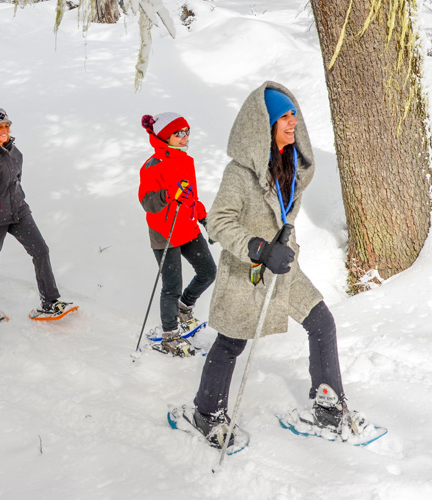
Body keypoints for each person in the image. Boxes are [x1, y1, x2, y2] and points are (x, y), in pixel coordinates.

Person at [190, 82, 367, 447]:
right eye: (283, 117)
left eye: (293, 115)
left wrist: (279, 252)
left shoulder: (290, 166)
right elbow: (218, 221)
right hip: (249, 272)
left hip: (285, 269)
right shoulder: (239, 173)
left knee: (322, 322)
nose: (293, 123)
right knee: (230, 343)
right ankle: (207, 412)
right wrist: (258, 248)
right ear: (263, 125)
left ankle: (328, 405)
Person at [0, 107, 70, 324]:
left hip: (19, 212)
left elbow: (16, 181)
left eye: (6, 126)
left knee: (41, 250)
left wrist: (15, 200)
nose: (4, 130)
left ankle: (50, 302)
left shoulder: (16, 153)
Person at [138, 112, 216, 356]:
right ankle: (169, 335)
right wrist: (168, 194)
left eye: (186, 132)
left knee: (208, 272)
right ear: (165, 136)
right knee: (172, 286)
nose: (184, 137)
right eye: (178, 133)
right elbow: (147, 202)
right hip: (165, 231)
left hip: (187, 226)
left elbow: (191, 197)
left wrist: (205, 218)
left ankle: (184, 307)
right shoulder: (153, 165)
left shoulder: (186, 160)